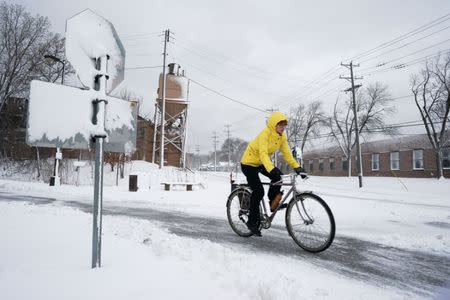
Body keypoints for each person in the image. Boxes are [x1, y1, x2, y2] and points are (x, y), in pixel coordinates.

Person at [240, 111, 305, 236]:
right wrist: (271, 168)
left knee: (278, 177)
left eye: (284, 125)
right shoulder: (265, 134)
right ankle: (252, 222)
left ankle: (272, 203)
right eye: (280, 125)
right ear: (273, 124)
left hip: (261, 163)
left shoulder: (282, 137)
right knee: (258, 191)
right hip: (248, 164)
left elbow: (287, 154)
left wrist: (297, 167)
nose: (282, 128)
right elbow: (263, 154)